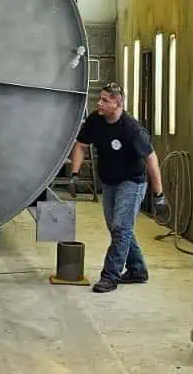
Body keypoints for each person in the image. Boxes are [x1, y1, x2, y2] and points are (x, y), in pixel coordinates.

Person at [69, 83, 167, 293]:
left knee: (121, 228)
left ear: (118, 103)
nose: (99, 103)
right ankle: (137, 269)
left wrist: (159, 194)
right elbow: (81, 145)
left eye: (105, 100)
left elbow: (151, 159)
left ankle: (110, 276)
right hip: (109, 182)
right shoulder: (95, 120)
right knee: (117, 228)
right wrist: (74, 174)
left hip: (132, 181)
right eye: (100, 99)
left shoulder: (132, 129)